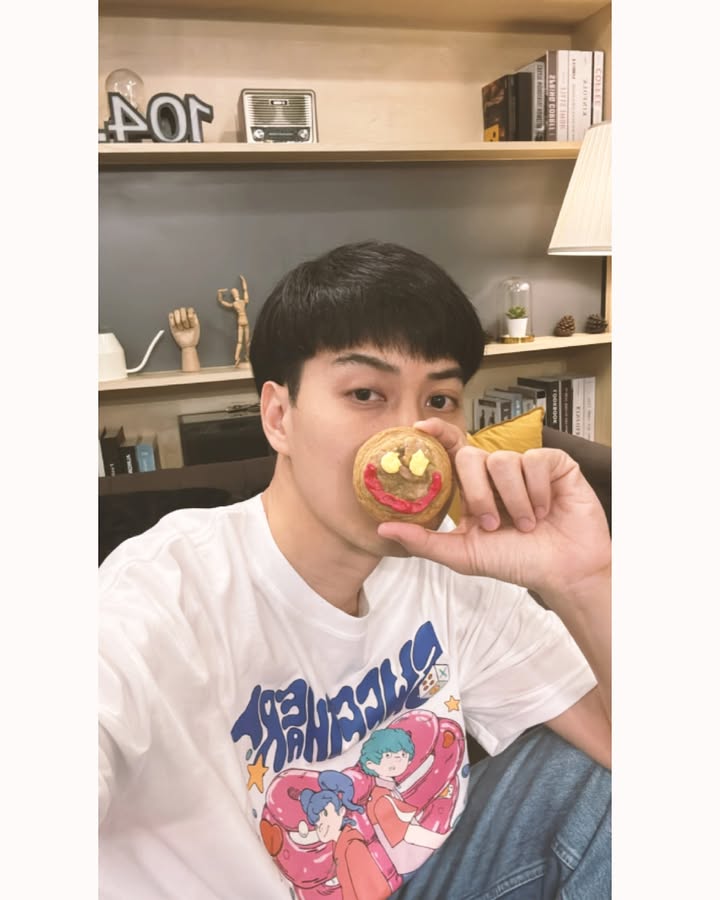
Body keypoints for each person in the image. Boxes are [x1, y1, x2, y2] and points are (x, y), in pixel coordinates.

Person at [99, 240, 611, 899]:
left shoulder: (448, 565)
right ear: (278, 417)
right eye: (366, 393)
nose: (410, 438)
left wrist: (583, 580)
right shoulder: (164, 592)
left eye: (440, 400)